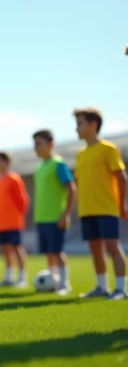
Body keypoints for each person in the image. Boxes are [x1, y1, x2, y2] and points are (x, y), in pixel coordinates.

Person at [73, 108, 127, 300]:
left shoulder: (108, 149)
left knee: (113, 246)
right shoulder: (80, 154)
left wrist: (122, 205)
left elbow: (122, 178)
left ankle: (121, 289)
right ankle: (101, 287)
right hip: (87, 210)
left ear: (93, 125)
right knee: (95, 249)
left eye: (79, 124)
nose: (76, 128)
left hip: (106, 207)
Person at [32, 129, 76, 295]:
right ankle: (54, 281)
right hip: (41, 217)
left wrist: (65, 214)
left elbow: (72, 189)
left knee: (58, 252)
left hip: (55, 217)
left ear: (50, 144)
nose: (35, 148)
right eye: (34, 144)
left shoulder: (58, 164)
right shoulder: (39, 167)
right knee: (49, 253)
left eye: (39, 144)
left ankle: (65, 284)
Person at [0, 152, 30, 288]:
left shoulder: (14, 179)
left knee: (17, 248)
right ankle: (9, 277)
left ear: (6, 162)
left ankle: (22, 278)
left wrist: (18, 217)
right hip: (0, 223)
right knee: (5, 249)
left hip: (13, 222)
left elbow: (22, 201)